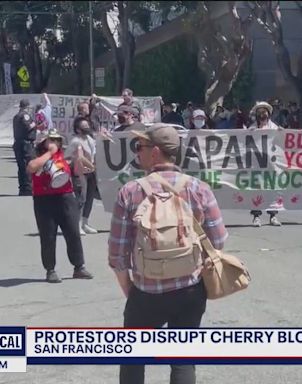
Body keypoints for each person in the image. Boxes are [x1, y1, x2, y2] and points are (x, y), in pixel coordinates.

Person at [109, 123, 227, 384]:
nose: (136, 152)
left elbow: (117, 253)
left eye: (140, 147)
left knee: (133, 359)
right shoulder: (199, 189)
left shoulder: (130, 191)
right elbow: (218, 240)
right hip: (189, 289)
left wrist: (132, 290)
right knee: (183, 360)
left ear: (155, 153)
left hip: (145, 292)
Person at [26, 129, 93, 283]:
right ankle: (50, 269)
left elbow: (75, 169)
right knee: (48, 235)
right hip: (44, 199)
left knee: (73, 232)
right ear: (43, 141)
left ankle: (79, 267)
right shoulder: (36, 155)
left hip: (65, 197)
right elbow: (31, 167)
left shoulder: (63, 155)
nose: (55, 143)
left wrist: (82, 163)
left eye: (57, 140)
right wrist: (49, 153)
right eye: (51, 140)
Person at [248, 101, 281, 226]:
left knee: (272, 190)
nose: (263, 115)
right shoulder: (252, 128)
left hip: (272, 166)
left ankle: (273, 216)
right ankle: (256, 216)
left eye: (265, 112)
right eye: (260, 113)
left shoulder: (274, 128)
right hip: (257, 165)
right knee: (257, 191)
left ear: (269, 114)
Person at [66, 117, 98, 235]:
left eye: (87, 126)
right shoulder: (75, 141)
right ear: (78, 130)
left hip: (91, 173)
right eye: (84, 127)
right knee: (80, 199)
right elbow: (69, 157)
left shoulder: (89, 139)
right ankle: (77, 224)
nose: (87, 129)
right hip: (80, 174)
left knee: (89, 198)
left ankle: (85, 223)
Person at [13, 99, 37, 196]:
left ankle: (23, 188)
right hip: (25, 144)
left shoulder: (16, 116)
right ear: (27, 106)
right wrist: (35, 124)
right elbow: (28, 126)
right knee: (28, 165)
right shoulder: (25, 115)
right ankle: (27, 188)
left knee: (21, 166)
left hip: (18, 143)